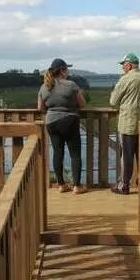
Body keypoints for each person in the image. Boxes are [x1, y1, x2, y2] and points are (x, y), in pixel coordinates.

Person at [109, 52, 140, 195]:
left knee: (127, 157)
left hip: (127, 124)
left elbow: (113, 102)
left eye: (123, 65)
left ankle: (124, 186)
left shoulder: (125, 80)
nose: (122, 68)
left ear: (129, 65)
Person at [38, 58, 87, 194]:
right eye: (67, 68)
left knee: (57, 153)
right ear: (62, 70)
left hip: (52, 122)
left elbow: (40, 108)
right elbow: (82, 104)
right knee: (75, 154)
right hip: (70, 120)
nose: (68, 71)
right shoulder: (71, 85)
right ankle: (77, 186)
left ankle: (61, 185)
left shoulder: (44, 87)